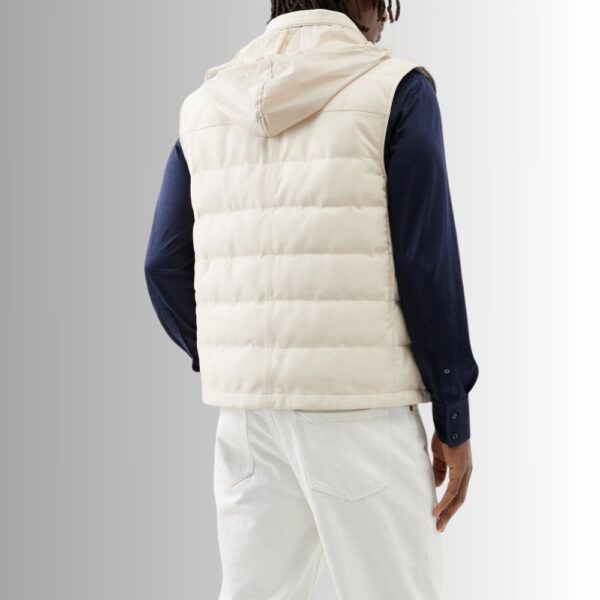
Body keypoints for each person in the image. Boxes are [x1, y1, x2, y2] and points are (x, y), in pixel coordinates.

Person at [144, 2, 479, 598]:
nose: (385, 23)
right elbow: (426, 265)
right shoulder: (396, 90)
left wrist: (232, 353)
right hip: (363, 415)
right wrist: (453, 415)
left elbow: (163, 265)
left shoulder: (206, 107)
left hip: (248, 424)